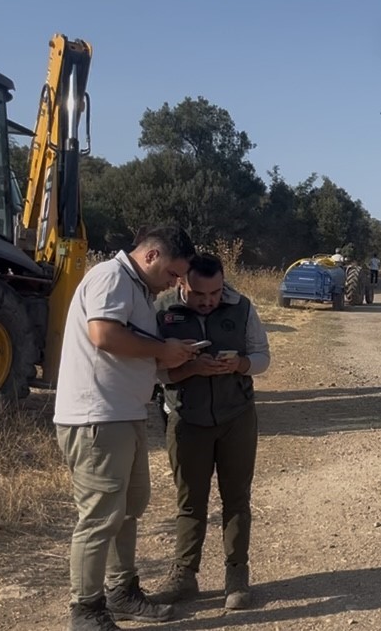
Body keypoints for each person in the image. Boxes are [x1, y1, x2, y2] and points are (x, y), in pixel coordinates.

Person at [53, 225, 200, 631]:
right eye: (173, 274)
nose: (175, 284)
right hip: (96, 417)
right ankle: (85, 610)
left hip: (125, 414)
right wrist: (162, 350)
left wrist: (178, 360)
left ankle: (122, 592)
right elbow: (103, 334)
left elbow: (131, 351)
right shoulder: (110, 277)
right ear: (152, 256)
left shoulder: (136, 289)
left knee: (128, 511)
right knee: (100, 517)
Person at [153, 253, 271, 611]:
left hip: (237, 417)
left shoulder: (242, 307)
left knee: (236, 499)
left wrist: (241, 364)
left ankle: (237, 576)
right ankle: (184, 575)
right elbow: (152, 371)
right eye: (198, 295)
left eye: (215, 293)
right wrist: (191, 370)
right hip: (187, 421)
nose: (207, 302)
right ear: (180, 283)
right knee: (190, 502)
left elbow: (263, 356)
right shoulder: (160, 311)